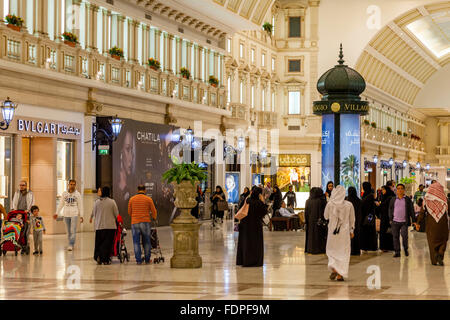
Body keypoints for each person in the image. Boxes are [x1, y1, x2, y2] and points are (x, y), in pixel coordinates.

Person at [325, 185, 355, 281]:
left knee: (332, 251)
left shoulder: (330, 204)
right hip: (344, 233)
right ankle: (339, 273)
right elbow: (352, 219)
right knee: (343, 252)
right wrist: (352, 230)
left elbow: (325, 216)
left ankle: (335, 269)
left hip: (332, 233)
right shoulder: (349, 205)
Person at [236, 186, 267, 267]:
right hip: (256, 226)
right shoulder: (259, 203)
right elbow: (264, 212)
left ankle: (245, 260)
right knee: (255, 244)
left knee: (246, 243)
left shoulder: (246, 201)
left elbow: (240, 209)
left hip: (245, 225)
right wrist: (263, 200)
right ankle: (255, 261)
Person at [128, 185, 157, 265]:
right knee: (147, 241)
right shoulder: (148, 199)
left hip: (135, 223)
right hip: (145, 222)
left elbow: (129, 212)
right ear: (145, 190)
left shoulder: (132, 199)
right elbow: (154, 211)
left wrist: (135, 217)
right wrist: (154, 217)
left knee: (136, 242)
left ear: (137, 190)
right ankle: (147, 259)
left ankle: (138, 260)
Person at [91, 186, 119, 265]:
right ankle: (105, 259)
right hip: (110, 226)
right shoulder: (112, 202)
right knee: (107, 244)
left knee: (99, 243)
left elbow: (94, 212)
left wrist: (92, 218)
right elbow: (116, 214)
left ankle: (98, 257)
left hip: (99, 226)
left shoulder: (97, 202)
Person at [53, 180, 83, 251]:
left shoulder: (77, 194)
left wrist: (81, 216)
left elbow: (80, 205)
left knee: (73, 230)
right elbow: (61, 204)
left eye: (73, 184)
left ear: (75, 185)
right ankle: (70, 242)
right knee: (68, 231)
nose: (72, 186)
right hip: (66, 214)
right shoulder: (64, 194)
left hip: (74, 214)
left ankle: (71, 244)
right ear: (68, 185)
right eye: (71, 184)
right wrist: (57, 213)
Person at [424, 182, 449, 266]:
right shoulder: (445, 200)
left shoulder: (426, 200)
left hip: (431, 224)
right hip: (443, 224)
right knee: (443, 240)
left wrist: (417, 222)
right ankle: (440, 254)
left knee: (432, 242)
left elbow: (421, 212)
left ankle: (434, 260)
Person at [388, 183, 415, 258]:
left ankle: (405, 249)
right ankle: (397, 252)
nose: (400, 190)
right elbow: (390, 209)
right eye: (398, 189)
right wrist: (390, 219)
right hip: (395, 221)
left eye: (401, 189)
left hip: (404, 222)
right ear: (396, 190)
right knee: (395, 237)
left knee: (404, 236)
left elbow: (411, 210)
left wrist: (414, 220)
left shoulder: (407, 199)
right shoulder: (393, 199)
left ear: (404, 190)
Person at [304, 187, 327, 254]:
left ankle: (310, 249)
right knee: (319, 236)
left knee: (311, 236)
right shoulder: (321, 200)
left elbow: (306, 213)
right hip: (319, 222)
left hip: (310, 222)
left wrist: (306, 221)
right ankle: (319, 249)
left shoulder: (308, 201)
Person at [360, 182, 378, 252]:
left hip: (368, 216)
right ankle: (366, 246)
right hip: (365, 216)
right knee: (366, 231)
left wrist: (369, 217)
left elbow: (369, 207)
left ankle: (370, 246)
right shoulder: (366, 195)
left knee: (369, 230)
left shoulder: (370, 196)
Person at [346, 186, 362, 256]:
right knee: (357, 235)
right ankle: (356, 251)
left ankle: (350, 250)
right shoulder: (358, 200)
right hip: (357, 220)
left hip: (348, 220)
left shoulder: (347, 200)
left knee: (349, 235)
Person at [378, 186, 395, 252]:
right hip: (384, 217)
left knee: (387, 232)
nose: (382, 191)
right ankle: (385, 247)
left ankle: (387, 247)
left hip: (388, 218)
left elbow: (384, 206)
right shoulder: (384, 197)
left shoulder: (389, 198)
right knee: (385, 232)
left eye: (383, 190)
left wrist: (379, 205)